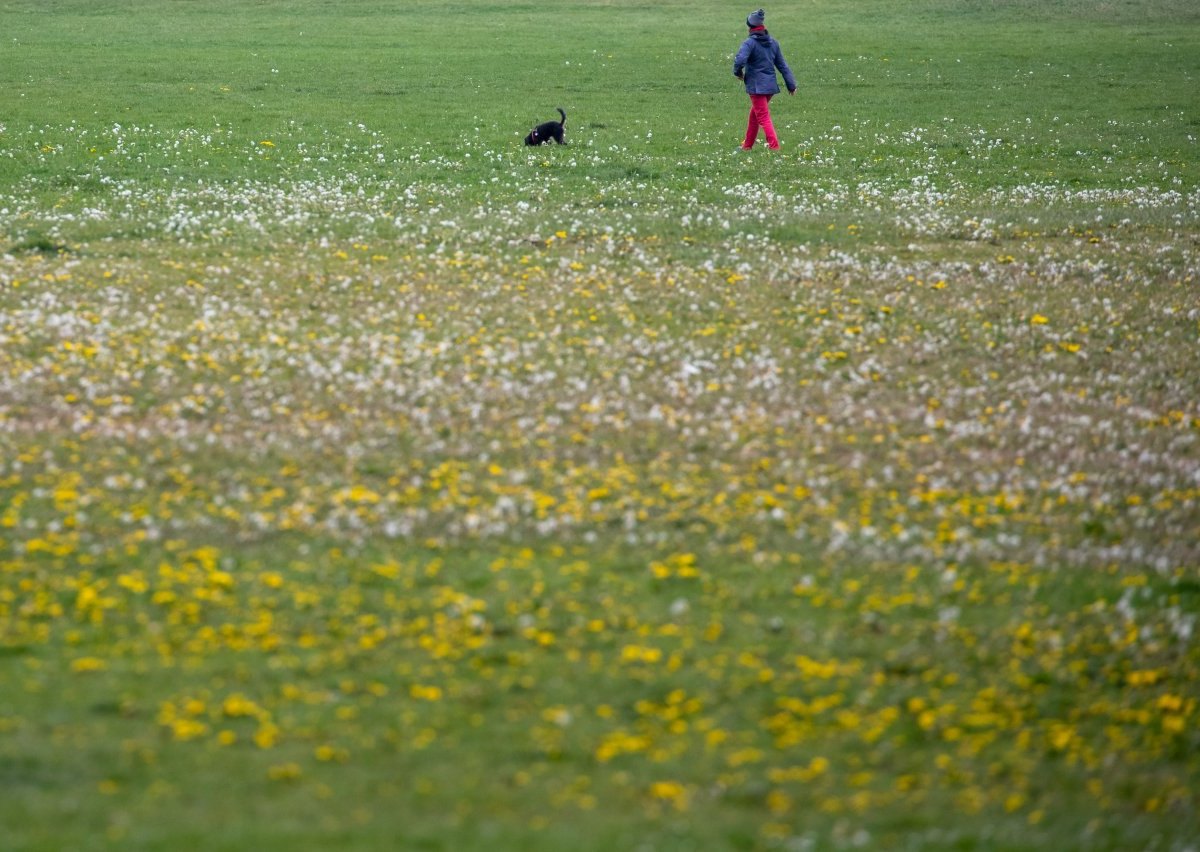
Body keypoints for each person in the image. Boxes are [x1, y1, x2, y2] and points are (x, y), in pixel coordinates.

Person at [732, 9, 796, 151]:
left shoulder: (749, 43)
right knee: (754, 116)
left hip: (756, 87)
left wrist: (737, 73)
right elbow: (782, 65)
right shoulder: (773, 43)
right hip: (770, 87)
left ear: (750, 27)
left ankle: (774, 147)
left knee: (763, 117)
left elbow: (740, 60)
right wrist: (791, 85)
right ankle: (747, 146)